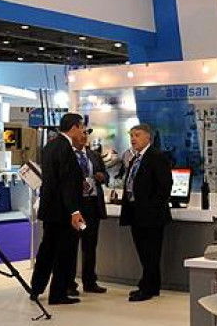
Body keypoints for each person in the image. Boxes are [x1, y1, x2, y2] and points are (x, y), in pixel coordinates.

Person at [29, 113, 88, 306]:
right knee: (64, 253)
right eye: (81, 127)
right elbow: (66, 182)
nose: (83, 131)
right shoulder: (65, 148)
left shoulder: (50, 146)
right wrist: (74, 211)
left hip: (50, 209)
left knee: (47, 250)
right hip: (63, 211)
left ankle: (36, 288)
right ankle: (58, 293)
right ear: (74, 127)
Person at [119, 123, 172, 303]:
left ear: (148, 137)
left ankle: (147, 288)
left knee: (151, 253)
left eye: (137, 135)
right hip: (135, 213)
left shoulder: (157, 157)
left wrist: (151, 207)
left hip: (151, 215)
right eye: (131, 135)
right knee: (143, 252)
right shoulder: (135, 159)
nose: (133, 139)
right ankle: (150, 285)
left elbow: (164, 186)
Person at [67, 132, 108, 296]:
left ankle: (90, 281)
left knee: (90, 245)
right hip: (77, 207)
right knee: (72, 245)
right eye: (80, 134)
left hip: (92, 206)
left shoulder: (93, 155)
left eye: (85, 134)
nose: (84, 137)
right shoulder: (68, 155)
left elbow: (106, 176)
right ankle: (69, 283)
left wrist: (102, 177)